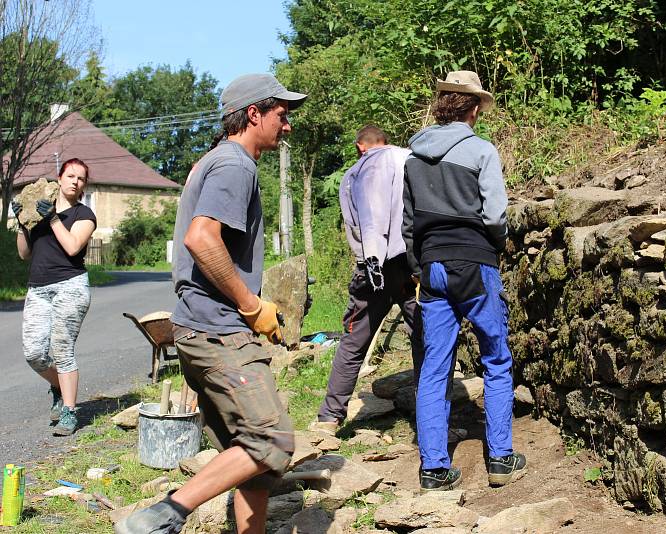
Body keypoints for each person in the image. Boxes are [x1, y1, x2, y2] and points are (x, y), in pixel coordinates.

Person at [115, 73, 307, 534]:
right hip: (219, 333)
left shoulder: (211, 161)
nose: (288, 126)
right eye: (282, 115)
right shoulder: (235, 166)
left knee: (253, 463)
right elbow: (201, 239)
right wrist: (250, 306)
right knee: (273, 441)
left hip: (196, 330)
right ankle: (161, 518)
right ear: (254, 114)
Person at [402, 71, 526, 491]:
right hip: (474, 263)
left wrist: (419, 266)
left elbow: (408, 222)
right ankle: (501, 458)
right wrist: (496, 244)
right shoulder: (481, 151)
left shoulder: (413, 157)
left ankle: (434, 469)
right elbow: (494, 215)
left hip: (432, 266)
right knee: (495, 357)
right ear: (473, 109)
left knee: (435, 369)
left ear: (442, 105)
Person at [310, 125, 423, 434]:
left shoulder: (354, 174)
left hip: (375, 269)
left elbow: (364, 223)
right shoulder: (410, 157)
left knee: (354, 340)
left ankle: (329, 418)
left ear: (361, 146)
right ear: (385, 141)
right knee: (424, 336)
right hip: (413, 262)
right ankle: (432, 419)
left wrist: (371, 260)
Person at [11, 158, 96, 437]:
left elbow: (72, 247)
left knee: (62, 349)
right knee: (34, 353)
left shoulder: (84, 215)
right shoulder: (40, 212)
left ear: (84, 185)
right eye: (70, 175)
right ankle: (59, 386)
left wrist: (53, 219)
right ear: (59, 179)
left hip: (70, 286)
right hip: (38, 288)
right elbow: (25, 254)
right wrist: (22, 223)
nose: (75, 181)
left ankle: (70, 412)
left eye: (81, 178)